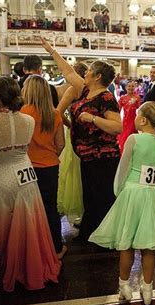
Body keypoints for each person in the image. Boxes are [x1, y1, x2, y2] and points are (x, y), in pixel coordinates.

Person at [89, 102, 155, 305]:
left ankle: (124, 286)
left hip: (131, 193)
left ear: (144, 120)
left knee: (127, 243)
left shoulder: (134, 139)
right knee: (149, 246)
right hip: (151, 194)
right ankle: (147, 288)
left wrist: (118, 190)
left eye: (137, 114)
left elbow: (123, 168)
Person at [0, 77, 61, 292]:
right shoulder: (28, 121)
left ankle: (3, 269)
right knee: (28, 223)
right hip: (26, 175)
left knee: (2, 224)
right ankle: (30, 265)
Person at [40, 38, 122, 243]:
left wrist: (93, 118)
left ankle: (102, 238)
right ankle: (91, 233)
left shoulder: (106, 98)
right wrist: (52, 51)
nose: (84, 73)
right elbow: (68, 72)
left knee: (100, 198)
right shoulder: (87, 91)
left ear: (97, 76)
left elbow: (117, 127)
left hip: (103, 157)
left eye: (88, 71)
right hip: (88, 157)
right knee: (90, 198)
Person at [20, 75, 67, 259]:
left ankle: (34, 249)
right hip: (49, 166)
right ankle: (56, 248)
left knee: (30, 209)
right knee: (50, 208)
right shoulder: (54, 114)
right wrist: (50, 155)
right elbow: (61, 144)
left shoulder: (23, 112)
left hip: (27, 167)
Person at [56, 63, 89, 223]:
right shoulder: (71, 90)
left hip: (89, 137)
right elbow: (58, 112)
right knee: (74, 171)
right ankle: (78, 212)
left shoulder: (90, 91)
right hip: (76, 135)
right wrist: (71, 125)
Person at [117, 80, 141, 153]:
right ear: (126, 87)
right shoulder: (122, 98)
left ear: (135, 87)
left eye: (132, 86)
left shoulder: (137, 97)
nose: (131, 88)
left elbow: (140, 109)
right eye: (129, 86)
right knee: (125, 135)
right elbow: (118, 109)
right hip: (126, 120)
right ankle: (124, 150)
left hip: (134, 120)